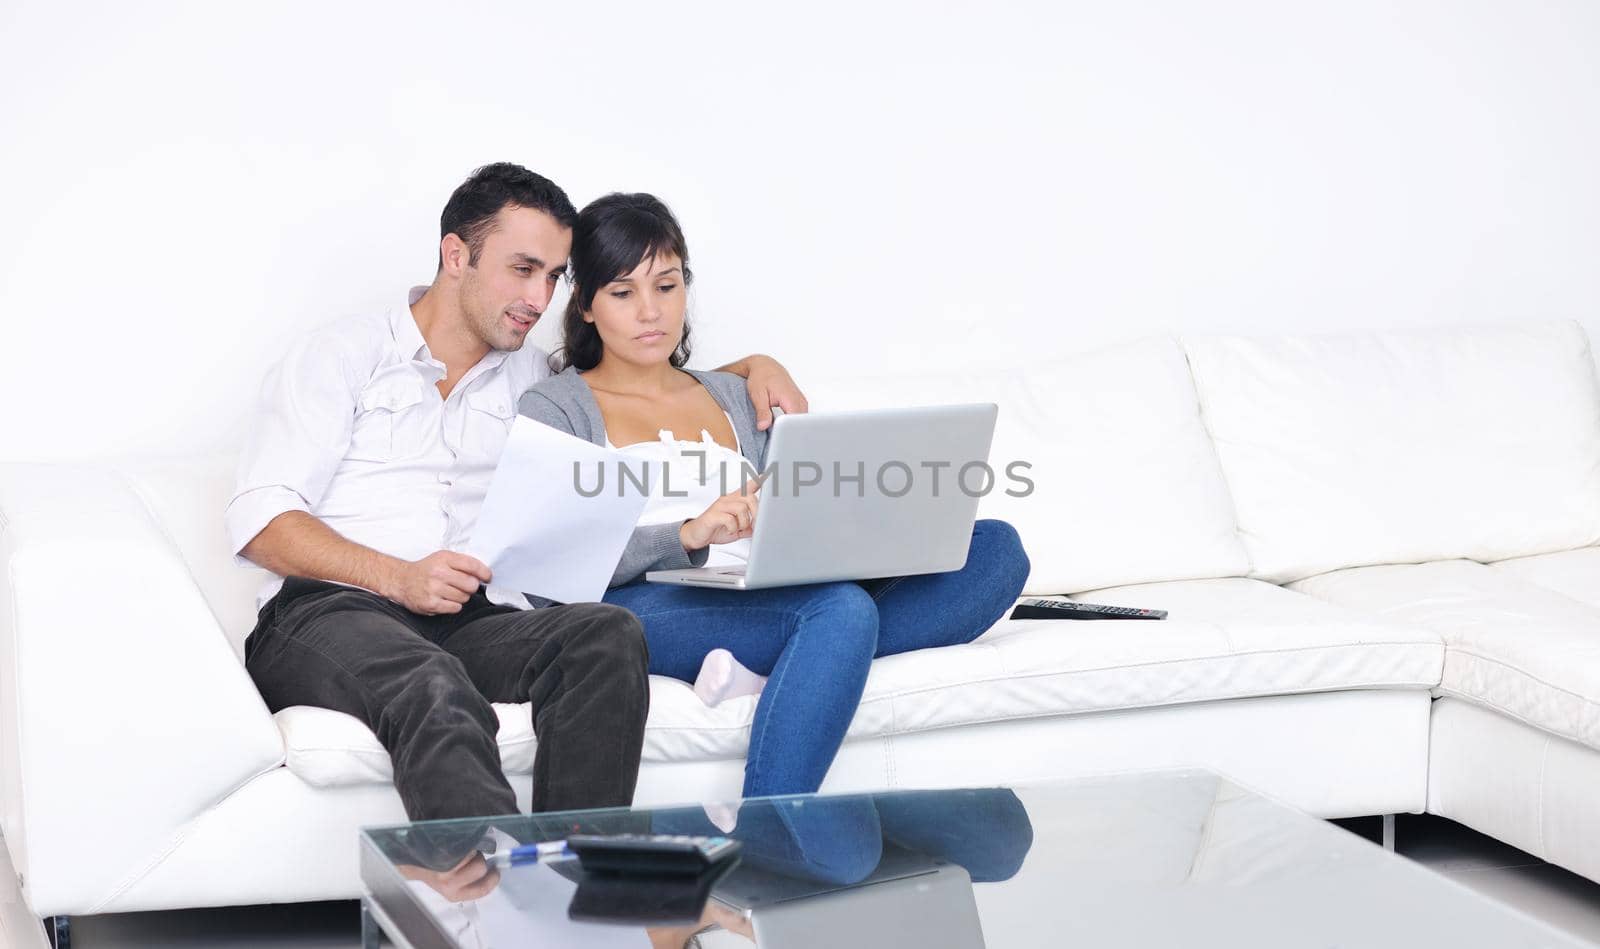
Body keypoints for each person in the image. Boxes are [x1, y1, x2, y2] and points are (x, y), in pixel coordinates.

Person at [227, 164, 809, 821]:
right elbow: (261, 520)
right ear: (456, 255)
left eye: (555, 275)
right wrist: (398, 577)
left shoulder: (533, 379)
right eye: (523, 268)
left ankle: (582, 888)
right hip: (329, 614)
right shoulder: (341, 354)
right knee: (432, 686)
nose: (540, 297)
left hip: (473, 617)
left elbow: (638, 370)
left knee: (605, 632)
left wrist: (755, 366)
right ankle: (495, 913)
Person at [518, 192, 1031, 799]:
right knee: (840, 610)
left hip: (762, 588)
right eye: (623, 293)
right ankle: (770, 827)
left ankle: (774, 670)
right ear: (585, 306)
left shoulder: (734, 395)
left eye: (667, 285)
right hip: (637, 607)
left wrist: (828, 525)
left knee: (997, 550)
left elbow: (789, 504)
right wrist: (687, 534)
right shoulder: (557, 407)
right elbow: (544, 572)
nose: (651, 312)